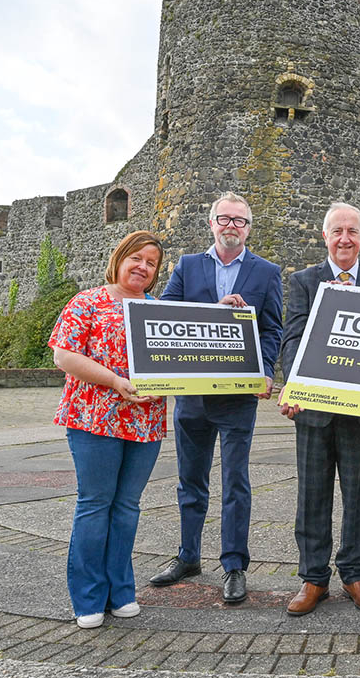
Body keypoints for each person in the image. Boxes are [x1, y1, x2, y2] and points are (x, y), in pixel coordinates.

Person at [149, 192, 283, 604]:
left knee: (236, 482)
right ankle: (188, 556)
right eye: (224, 219)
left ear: (248, 228)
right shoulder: (188, 266)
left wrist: (264, 371)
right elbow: (164, 313)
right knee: (190, 481)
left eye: (239, 221)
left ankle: (234, 564)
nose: (231, 226)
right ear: (211, 223)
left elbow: (272, 329)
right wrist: (214, 309)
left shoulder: (266, 272)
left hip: (237, 397)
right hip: (192, 394)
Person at [279, 201, 360, 616]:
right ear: (324, 237)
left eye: (352, 231)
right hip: (313, 412)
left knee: (358, 497)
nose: (344, 239)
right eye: (337, 231)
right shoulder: (304, 282)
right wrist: (294, 385)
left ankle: (354, 574)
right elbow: (292, 338)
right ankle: (313, 579)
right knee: (312, 496)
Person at [49, 230, 166, 629]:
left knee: (127, 507)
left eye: (151, 263)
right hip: (93, 418)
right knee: (96, 504)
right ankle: (88, 597)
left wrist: (219, 317)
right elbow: (65, 356)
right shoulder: (88, 301)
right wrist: (115, 381)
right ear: (119, 258)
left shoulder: (158, 308)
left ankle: (121, 591)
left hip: (145, 421)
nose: (143, 267)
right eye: (137, 258)